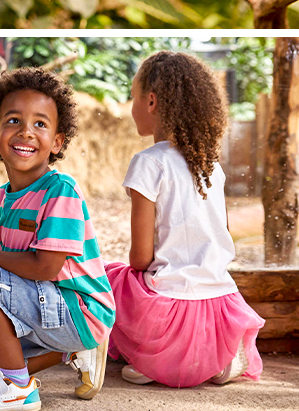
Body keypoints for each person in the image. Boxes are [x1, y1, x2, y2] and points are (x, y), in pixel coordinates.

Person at [0, 68, 114, 411]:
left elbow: (46, 267)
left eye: (41, 124)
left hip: (81, 309)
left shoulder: (61, 190)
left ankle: (19, 389)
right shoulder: (3, 197)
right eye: (14, 120)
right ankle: (71, 351)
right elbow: (19, 271)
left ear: (57, 142)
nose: (26, 132)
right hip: (48, 306)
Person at [106, 50, 265, 387]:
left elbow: (140, 258)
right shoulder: (211, 166)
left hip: (167, 310)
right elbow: (221, 233)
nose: (131, 105)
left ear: (150, 102)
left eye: (132, 97)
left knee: (108, 276)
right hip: (220, 303)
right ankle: (220, 358)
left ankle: (157, 358)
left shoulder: (148, 163)